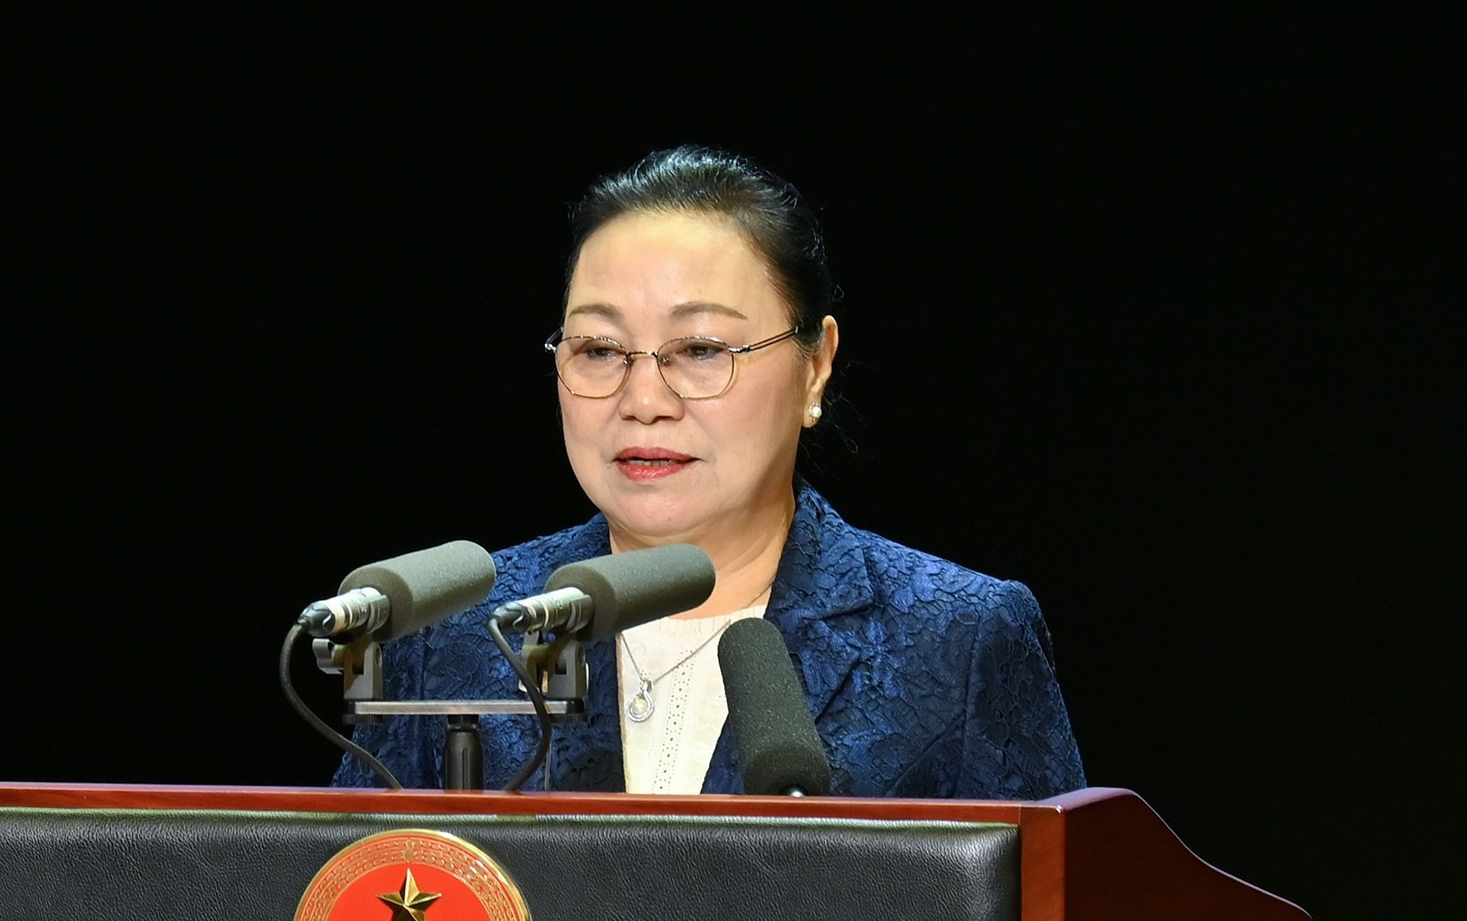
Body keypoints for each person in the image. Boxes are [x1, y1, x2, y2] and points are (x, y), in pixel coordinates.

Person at [333, 145, 1085, 799]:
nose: (644, 401)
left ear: (816, 365)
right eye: (599, 350)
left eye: (699, 350)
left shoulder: (958, 640)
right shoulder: (449, 636)